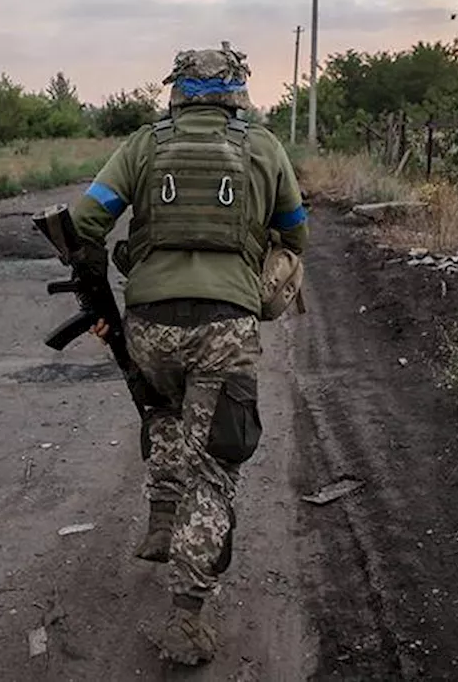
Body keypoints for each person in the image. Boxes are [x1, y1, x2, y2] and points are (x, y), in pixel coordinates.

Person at [68, 42, 309, 665]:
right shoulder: (264, 147)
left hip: (150, 325)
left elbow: (85, 219)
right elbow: (297, 233)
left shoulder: (144, 144)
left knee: (166, 412)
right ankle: (186, 619)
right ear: (238, 91)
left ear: (176, 89)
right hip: (225, 327)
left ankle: (161, 521)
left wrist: (102, 283)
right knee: (217, 465)